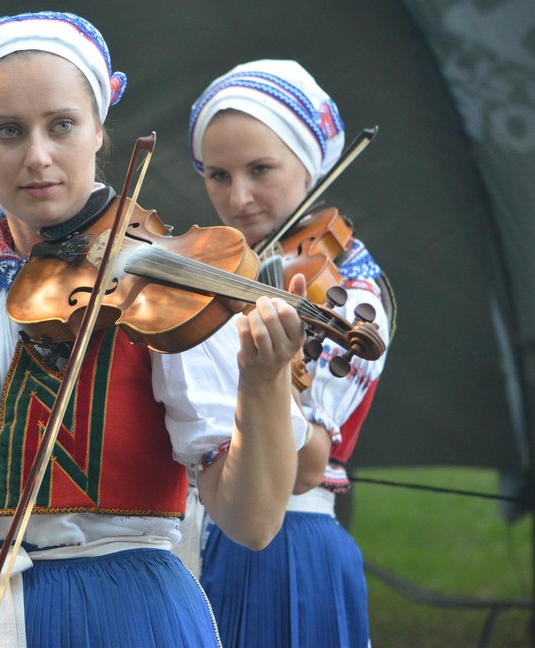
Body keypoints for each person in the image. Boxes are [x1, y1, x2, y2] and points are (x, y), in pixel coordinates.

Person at [0, 12, 310, 648]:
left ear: (99, 129)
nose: (38, 157)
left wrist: (264, 383)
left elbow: (252, 522)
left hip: (131, 618)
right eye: (9, 131)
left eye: (62, 125)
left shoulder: (159, 288)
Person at [187, 59, 394, 647]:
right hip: (192, 543)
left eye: (261, 170)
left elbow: (306, 466)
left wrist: (275, 373)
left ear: (313, 163)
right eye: (218, 175)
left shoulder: (349, 294)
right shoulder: (223, 271)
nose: (239, 197)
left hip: (283, 552)